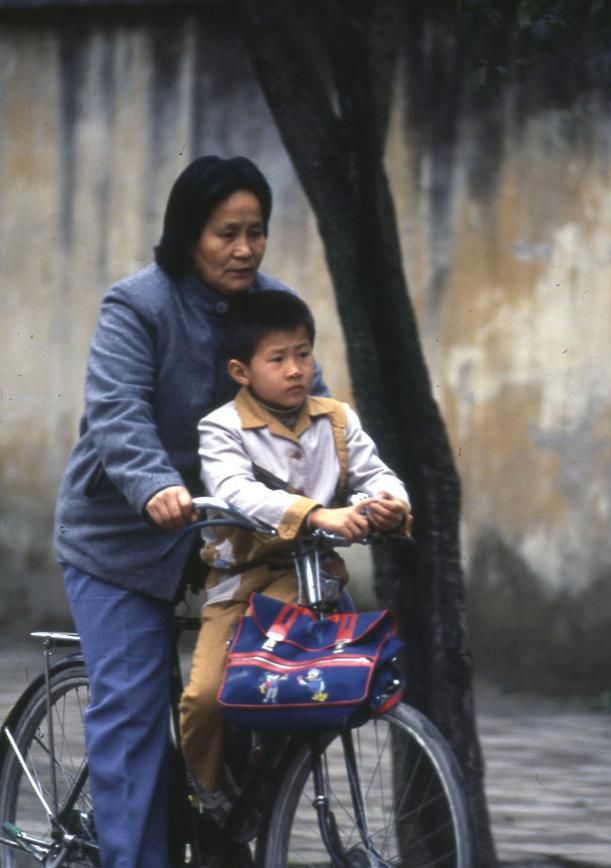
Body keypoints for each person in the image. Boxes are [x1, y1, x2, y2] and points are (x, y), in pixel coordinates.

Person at [53, 156, 327, 868]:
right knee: (135, 716)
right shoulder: (137, 305)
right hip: (123, 540)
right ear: (188, 234)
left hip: (228, 545)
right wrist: (152, 486)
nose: (244, 249)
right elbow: (117, 415)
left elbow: (315, 420)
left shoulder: (274, 310)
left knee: (265, 687)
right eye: (225, 233)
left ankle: (219, 834)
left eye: (256, 232)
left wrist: (358, 494)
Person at [179, 290, 411, 821]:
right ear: (241, 370)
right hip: (241, 585)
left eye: (303, 354)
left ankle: (268, 775)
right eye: (277, 358)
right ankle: (207, 794)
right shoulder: (222, 428)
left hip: (315, 582)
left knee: (324, 685)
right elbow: (237, 491)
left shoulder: (336, 420)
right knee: (208, 697)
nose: (294, 370)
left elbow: (377, 475)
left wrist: (390, 505)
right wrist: (316, 513)